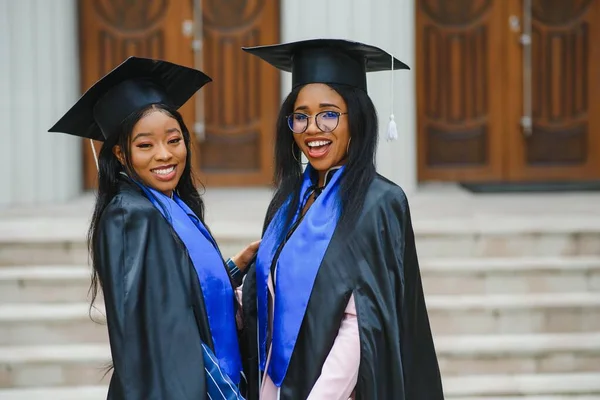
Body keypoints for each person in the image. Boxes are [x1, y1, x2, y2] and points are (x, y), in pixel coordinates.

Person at [240, 39, 444, 399]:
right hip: (274, 385)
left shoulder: (379, 202)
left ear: (357, 119)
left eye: (329, 113)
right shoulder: (287, 201)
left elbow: (362, 323)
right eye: (300, 116)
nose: (312, 128)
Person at [49, 56, 258, 399]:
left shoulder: (171, 205)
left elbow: (175, 292)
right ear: (119, 153)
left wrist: (233, 268)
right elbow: (157, 332)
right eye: (145, 145)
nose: (164, 155)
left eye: (174, 140)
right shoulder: (131, 216)